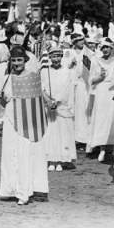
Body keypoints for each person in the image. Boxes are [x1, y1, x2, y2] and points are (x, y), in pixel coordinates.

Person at [0, 46, 49, 205]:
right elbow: (4, 101)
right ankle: (10, 189)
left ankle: (24, 192)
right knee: (9, 154)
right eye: (14, 60)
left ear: (25, 61)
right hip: (10, 120)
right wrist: (1, 98)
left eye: (19, 60)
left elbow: (39, 99)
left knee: (24, 155)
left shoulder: (32, 77)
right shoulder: (7, 77)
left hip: (25, 123)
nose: (16, 63)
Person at [41, 44, 76, 172]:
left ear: (61, 57)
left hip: (62, 106)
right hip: (49, 107)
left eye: (58, 56)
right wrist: (48, 100)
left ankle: (61, 159)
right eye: (53, 56)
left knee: (62, 133)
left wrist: (58, 101)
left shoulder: (67, 71)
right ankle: (51, 159)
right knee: (51, 133)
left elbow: (67, 89)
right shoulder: (45, 71)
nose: (56, 59)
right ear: (49, 57)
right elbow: (42, 88)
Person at [86, 38, 114, 162]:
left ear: (111, 48)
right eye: (103, 47)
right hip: (101, 92)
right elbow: (91, 80)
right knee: (101, 119)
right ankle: (102, 149)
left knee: (113, 119)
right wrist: (99, 78)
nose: (105, 50)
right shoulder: (95, 61)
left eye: (108, 47)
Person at [68, 33, 90, 150]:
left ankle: (84, 138)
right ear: (74, 42)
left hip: (83, 85)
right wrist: (70, 64)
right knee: (72, 110)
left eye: (83, 39)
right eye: (79, 40)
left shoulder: (87, 52)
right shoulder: (69, 53)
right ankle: (75, 138)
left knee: (83, 110)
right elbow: (64, 68)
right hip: (72, 85)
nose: (82, 42)